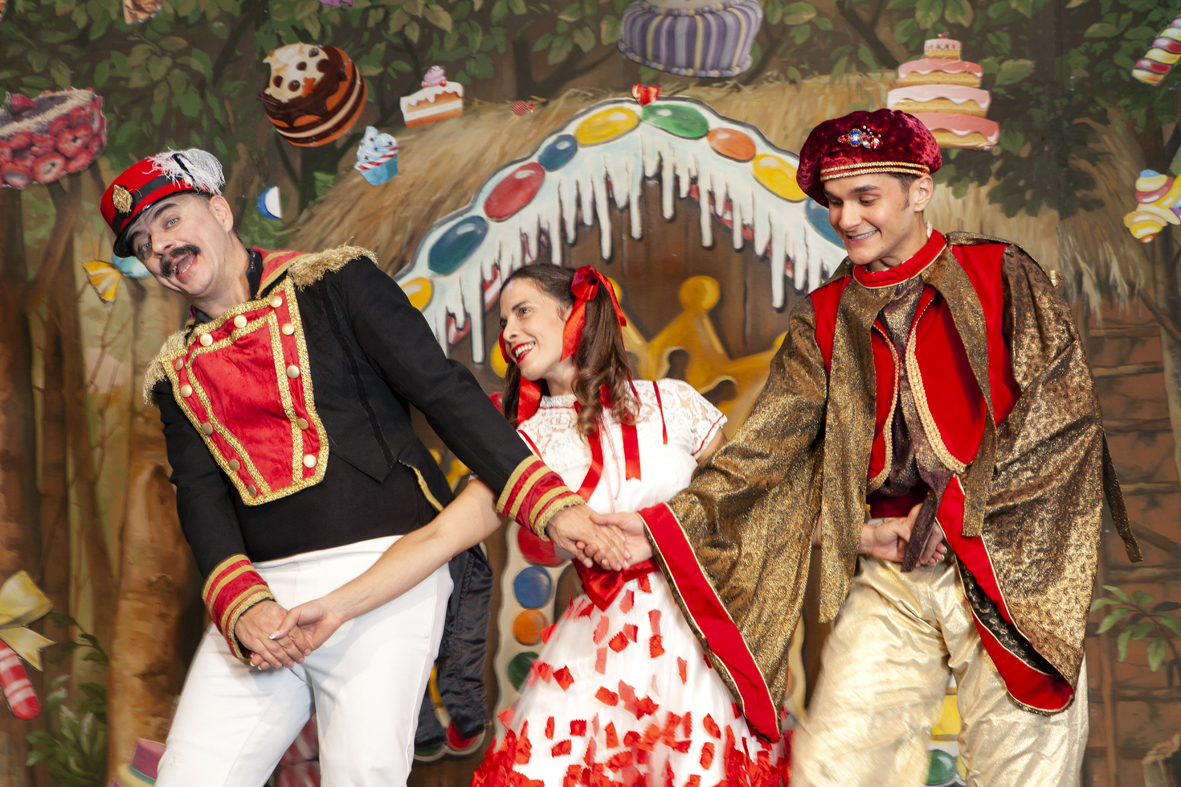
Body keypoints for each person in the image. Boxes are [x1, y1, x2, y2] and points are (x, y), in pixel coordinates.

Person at [592, 109, 1143, 786]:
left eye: (864, 197)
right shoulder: (826, 315)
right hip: (895, 571)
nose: (846, 218)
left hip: (1011, 573)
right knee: (835, 767)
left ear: (919, 190)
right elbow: (762, 451)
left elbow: (1061, 423)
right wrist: (664, 526)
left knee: (1022, 772)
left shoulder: (1000, 273)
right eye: (833, 201)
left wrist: (953, 514)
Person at [274, 263, 941, 786]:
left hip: (699, 638)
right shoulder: (519, 445)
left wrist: (864, 535)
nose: (508, 330)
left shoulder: (673, 405)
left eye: (523, 310)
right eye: (502, 319)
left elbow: (756, 505)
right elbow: (438, 538)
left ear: (576, 311)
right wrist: (334, 607)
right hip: (594, 654)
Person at [99, 148, 626, 787]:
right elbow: (199, 495)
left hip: (383, 576)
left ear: (220, 210)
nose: (162, 248)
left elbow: (442, 390)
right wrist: (241, 606)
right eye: (144, 244)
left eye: (171, 220)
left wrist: (551, 504)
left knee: (364, 775)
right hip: (262, 599)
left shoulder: (337, 282)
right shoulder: (173, 372)